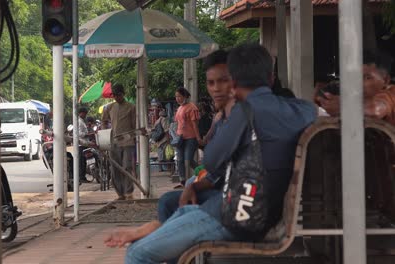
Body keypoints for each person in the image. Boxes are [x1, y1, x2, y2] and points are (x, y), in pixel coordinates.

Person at [104, 44, 316, 264]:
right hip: (260, 213)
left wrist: (228, 114)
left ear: (233, 82)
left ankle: (155, 231)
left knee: (137, 253)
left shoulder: (244, 111)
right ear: (271, 78)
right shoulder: (303, 110)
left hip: (235, 216)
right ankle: (156, 229)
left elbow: (212, 161)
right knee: (183, 211)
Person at [158, 49, 235, 222]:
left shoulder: (239, 117)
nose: (216, 89)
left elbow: (214, 161)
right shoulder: (222, 117)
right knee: (181, 169)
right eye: (211, 83)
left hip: (232, 202)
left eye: (223, 81)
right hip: (183, 139)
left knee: (188, 161)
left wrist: (201, 138)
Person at [316, 50, 394, 124]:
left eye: (367, 78)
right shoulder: (346, 93)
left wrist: (345, 106)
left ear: (386, 80)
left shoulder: (392, 93)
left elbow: (375, 110)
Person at [101, 84, 136, 200]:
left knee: (127, 166)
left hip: (128, 142)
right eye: (115, 95)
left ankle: (128, 192)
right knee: (115, 168)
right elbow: (104, 121)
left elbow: (135, 124)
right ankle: (120, 193)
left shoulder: (131, 107)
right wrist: (105, 133)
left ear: (123, 94)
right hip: (114, 142)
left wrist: (134, 137)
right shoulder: (110, 107)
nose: (117, 97)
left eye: (119, 95)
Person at [174, 87, 201, 188]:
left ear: (185, 96)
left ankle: (203, 173)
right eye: (176, 96)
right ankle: (182, 181)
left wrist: (198, 138)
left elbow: (195, 124)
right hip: (180, 138)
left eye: (179, 96)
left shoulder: (192, 107)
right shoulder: (179, 108)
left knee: (188, 160)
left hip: (191, 138)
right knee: (179, 160)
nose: (177, 98)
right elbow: (178, 123)